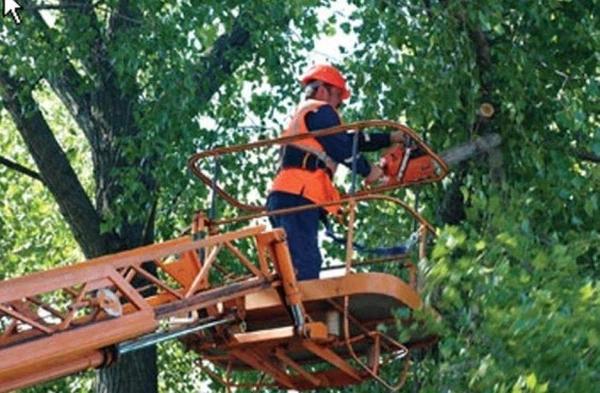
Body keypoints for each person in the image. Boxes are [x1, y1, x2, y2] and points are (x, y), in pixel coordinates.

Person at [266, 64, 405, 281]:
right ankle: (302, 312)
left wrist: (389, 138)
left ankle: (295, 308)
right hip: (298, 194)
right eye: (338, 96)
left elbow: (350, 140)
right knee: (306, 263)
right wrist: (368, 171)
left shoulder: (308, 116)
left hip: (288, 194)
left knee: (294, 263)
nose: (339, 105)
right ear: (323, 89)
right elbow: (339, 147)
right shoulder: (320, 110)